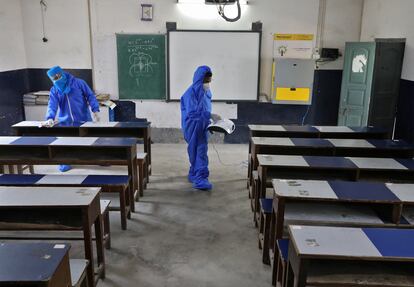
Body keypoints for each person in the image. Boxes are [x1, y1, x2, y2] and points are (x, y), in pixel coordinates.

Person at [43, 66, 100, 172]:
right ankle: (65, 161)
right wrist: (50, 117)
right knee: (64, 142)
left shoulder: (79, 83)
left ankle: (101, 159)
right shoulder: (55, 89)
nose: (57, 80)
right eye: (54, 78)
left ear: (62, 74)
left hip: (83, 119)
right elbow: (52, 104)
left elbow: (90, 95)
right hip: (65, 122)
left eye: (58, 76)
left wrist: (95, 109)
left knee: (92, 140)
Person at [181, 66, 213, 190]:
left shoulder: (206, 92)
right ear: (199, 79)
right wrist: (209, 115)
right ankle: (201, 179)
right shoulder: (190, 93)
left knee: (197, 151)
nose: (208, 84)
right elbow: (192, 113)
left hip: (202, 127)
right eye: (206, 81)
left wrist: (210, 121)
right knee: (200, 151)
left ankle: (194, 172)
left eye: (209, 81)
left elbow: (206, 108)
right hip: (192, 127)